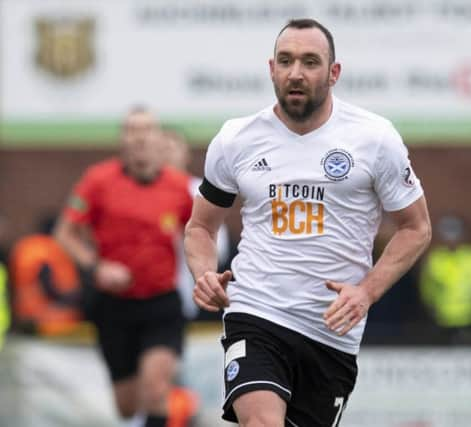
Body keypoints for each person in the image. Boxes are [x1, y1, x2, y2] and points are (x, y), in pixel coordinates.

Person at [184, 18, 431, 426]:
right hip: (256, 311)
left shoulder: (374, 139)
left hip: (331, 330)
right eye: (286, 61)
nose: (296, 73)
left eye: (310, 62)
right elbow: (200, 227)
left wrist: (366, 293)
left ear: (334, 73)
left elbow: (415, 228)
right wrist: (204, 273)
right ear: (271, 69)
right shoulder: (236, 139)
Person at [53, 107, 196, 427]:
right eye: (133, 130)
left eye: (147, 129)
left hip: (162, 302)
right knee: (128, 405)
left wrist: (205, 273)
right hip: (114, 306)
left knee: (156, 389)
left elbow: (200, 233)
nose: (141, 137)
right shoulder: (98, 180)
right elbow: (65, 233)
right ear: (123, 139)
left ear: (159, 139)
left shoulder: (179, 186)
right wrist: (96, 268)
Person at [161, 128, 232, 320]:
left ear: (185, 154)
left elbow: (219, 244)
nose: (166, 154)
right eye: (161, 148)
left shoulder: (199, 190)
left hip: (193, 289)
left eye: (171, 148)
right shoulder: (143, 193)